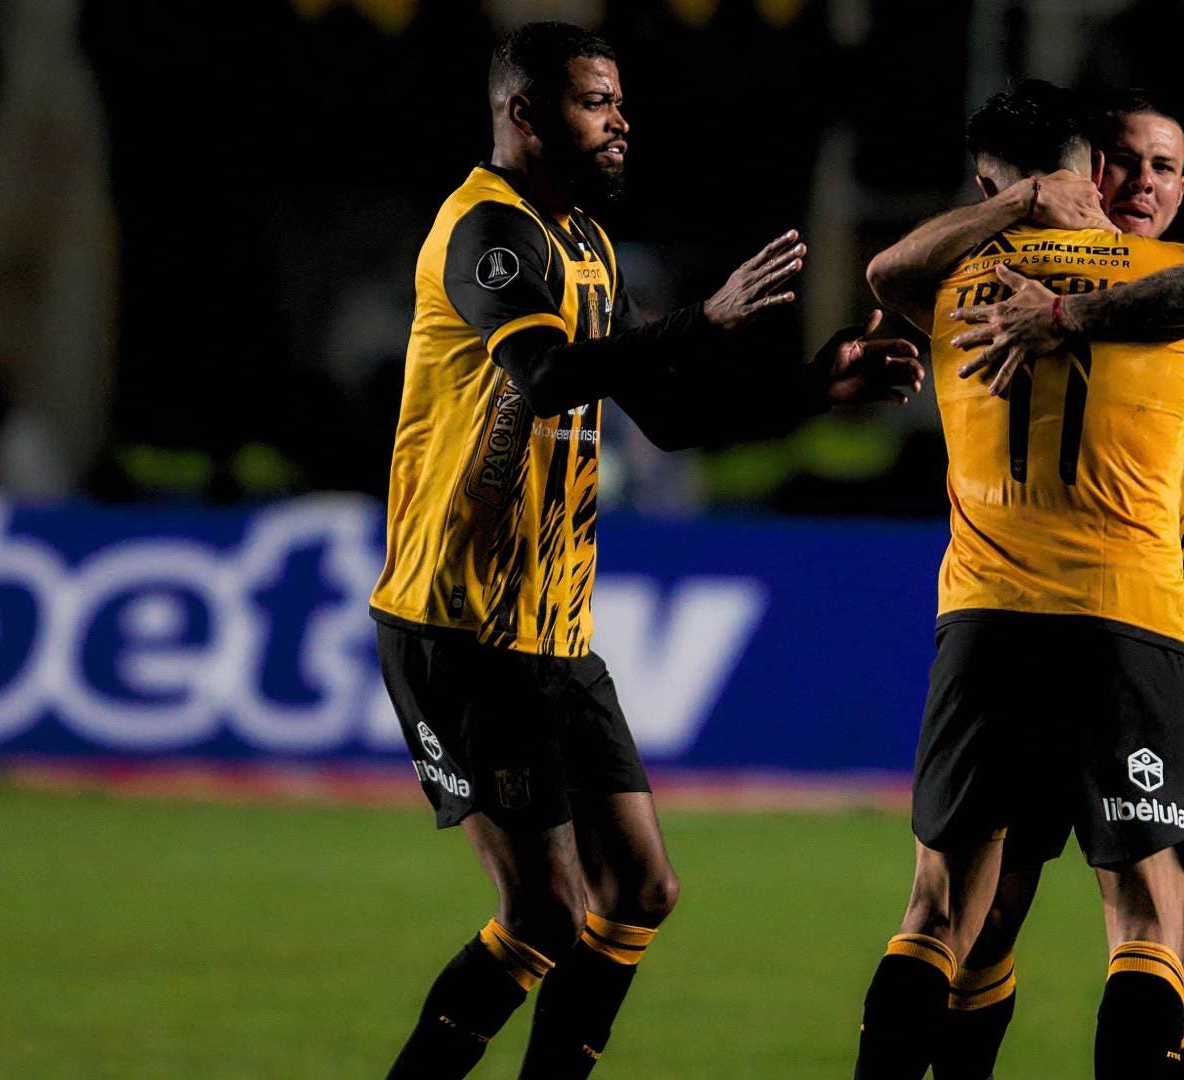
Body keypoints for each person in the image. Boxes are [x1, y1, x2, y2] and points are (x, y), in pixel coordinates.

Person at [368, 22, 921, 1079]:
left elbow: (662, 414)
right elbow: (544, 375)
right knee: (541, 917)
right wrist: (706, 322)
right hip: (461, 625)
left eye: (620, 100)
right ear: (524, 113)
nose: (620, 120)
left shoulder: (587, 243)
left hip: (554, 630)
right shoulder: (487, 232)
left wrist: (814, 385)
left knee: (641, 893)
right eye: (594, 101)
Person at [854, 80, 1184, 1079]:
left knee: (936, 913)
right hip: (1129, 621)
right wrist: (1077, 313)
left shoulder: (956, 288)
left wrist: (1007, 222)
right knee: (1147, 922)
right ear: (1097, 169)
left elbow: (885, 272)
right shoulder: (1170, 278)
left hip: (987, 623)